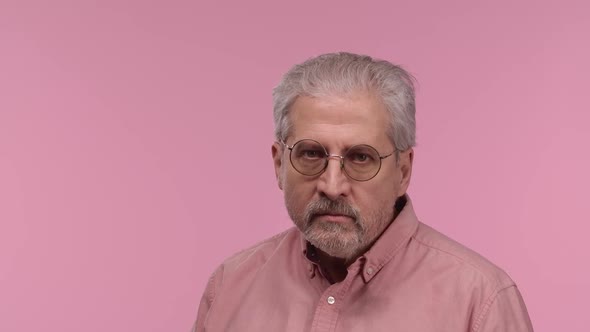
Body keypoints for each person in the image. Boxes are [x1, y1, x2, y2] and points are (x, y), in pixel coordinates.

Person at [192, 52, 533, 331]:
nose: (332, 185)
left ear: (403, 171)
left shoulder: (480, 300)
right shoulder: (229, 286)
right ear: (279, 163)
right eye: (311, 153)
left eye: (360, 157)